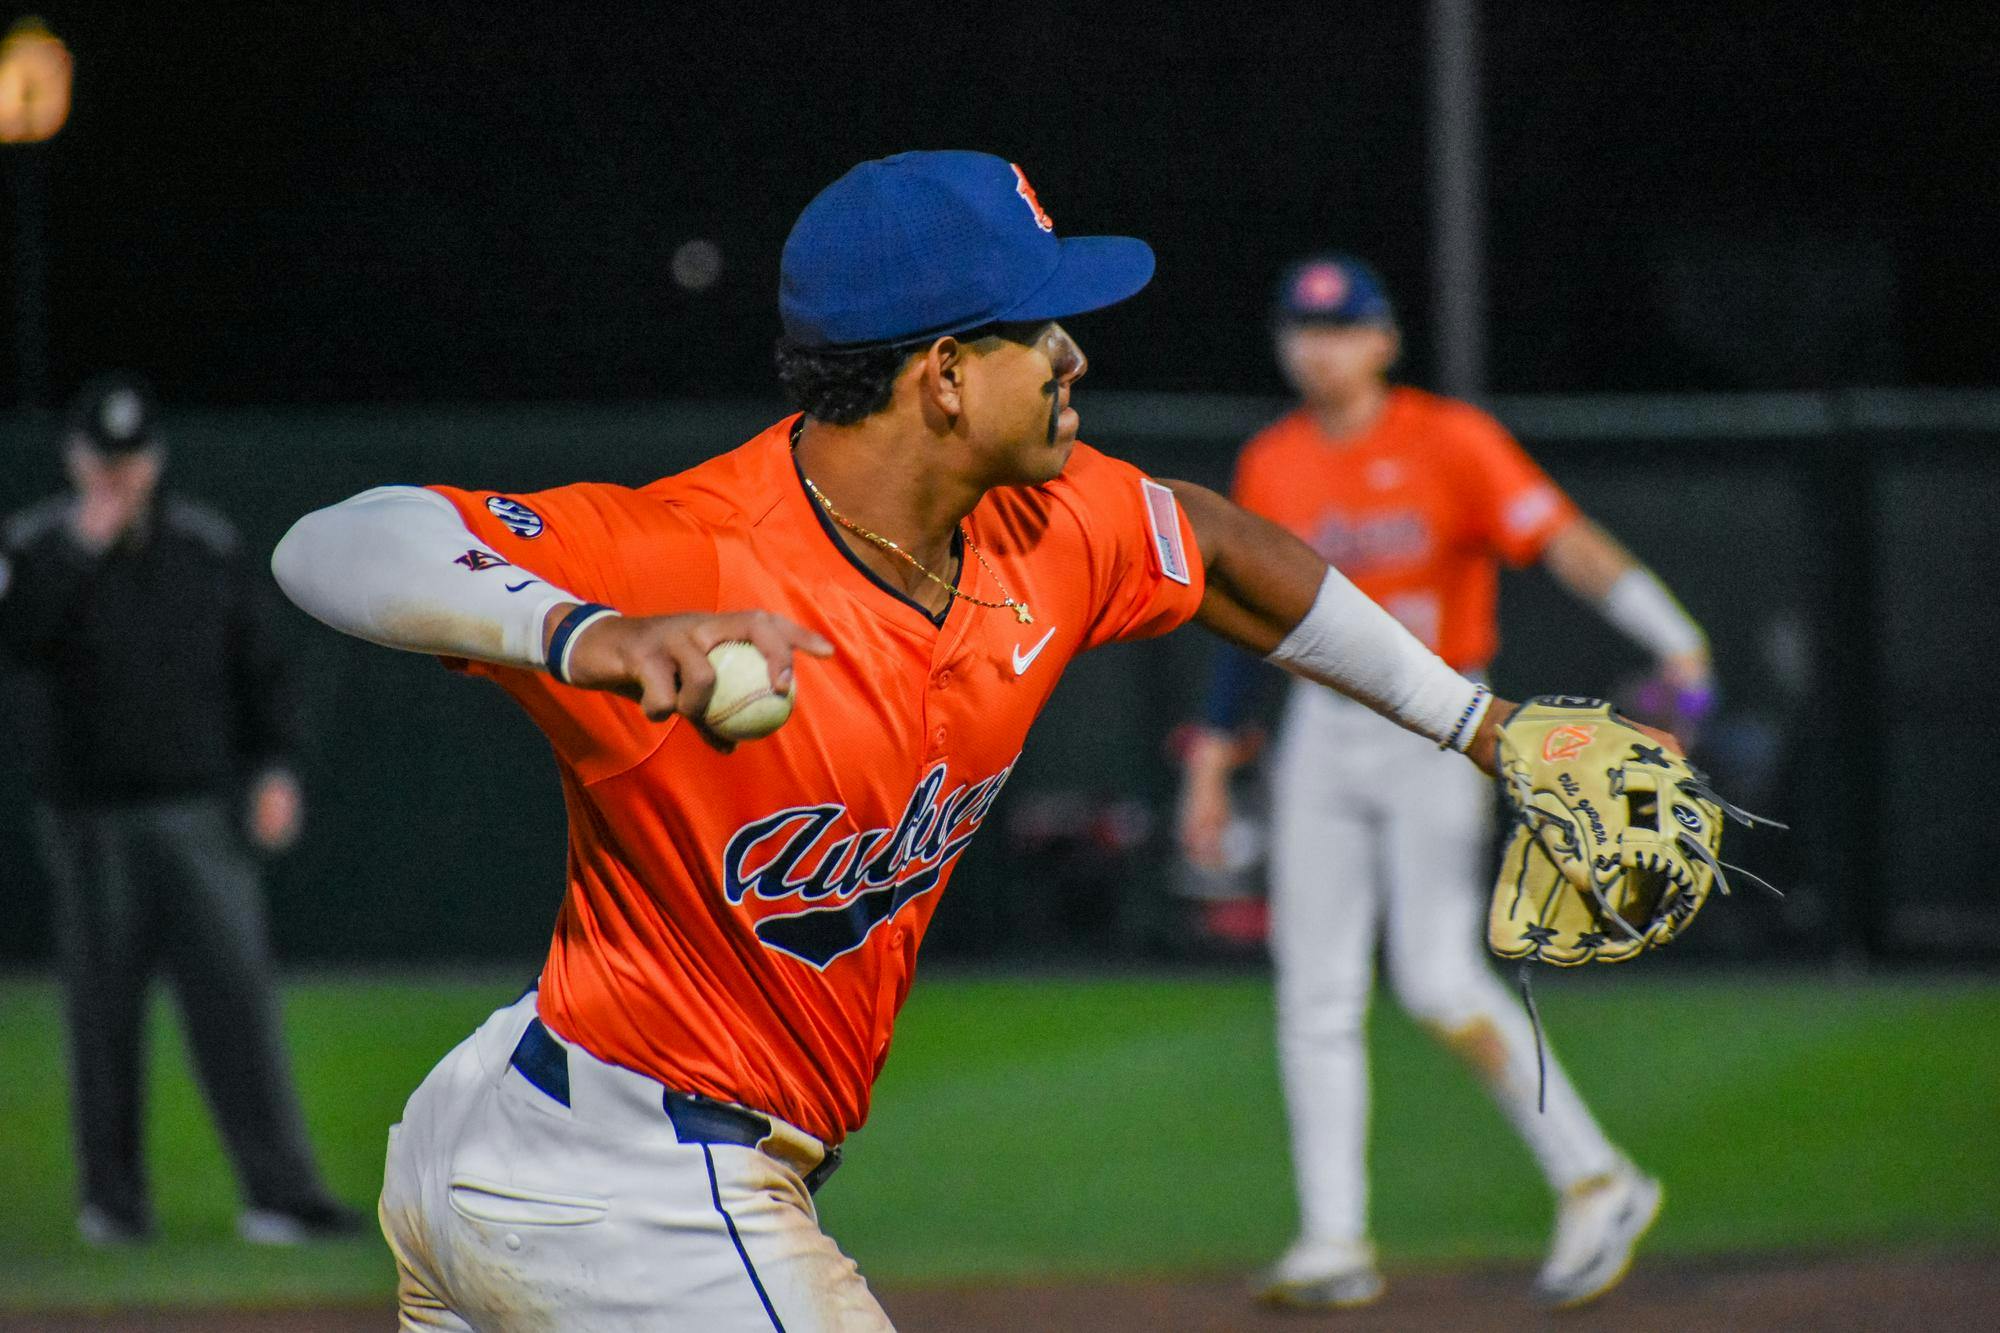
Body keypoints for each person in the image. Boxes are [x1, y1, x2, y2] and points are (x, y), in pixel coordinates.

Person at [272, 153, 1667, 1330]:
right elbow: (335, 539)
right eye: (1040, 328)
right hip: (629, 1184)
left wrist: (1483, 726)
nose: (1076, 355)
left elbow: (1230, 554)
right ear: (943, 375)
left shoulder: (1044, 527)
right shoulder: (688, 551)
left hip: (533, 1127)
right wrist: (582, 633)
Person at [1176, 255, 1715, 1310]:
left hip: (1438, 722)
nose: (1315, 345)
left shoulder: (1446, 439)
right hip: (1319, 730)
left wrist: (1673, 638)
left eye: (1337, 326)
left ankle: (1595, 1175)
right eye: (1299, 325)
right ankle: (1333, 1239)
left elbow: (1561, 544)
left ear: (1383, 341)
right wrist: (1209, 754)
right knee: (1312, 988)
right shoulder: (1271, 459)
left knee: (1431, 977)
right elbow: (1237, 618)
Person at [0, 374, 363, 1245]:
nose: (120, 477)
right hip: (90, 820)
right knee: (102, 1013)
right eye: (105, 460)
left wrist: (275, 766)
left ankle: (280, 1192)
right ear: (76, 459)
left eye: (132, 461)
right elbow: (21, 644)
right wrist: (82, 552)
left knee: (238, 1001)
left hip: (199, 814)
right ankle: (113, 1204)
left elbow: (261, 668)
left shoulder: (204, 546)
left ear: (154, 459)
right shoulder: (37, 549)